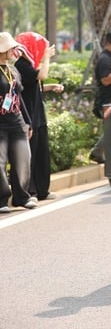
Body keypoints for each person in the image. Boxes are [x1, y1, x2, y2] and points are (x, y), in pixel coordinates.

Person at [15, 32, 64, 202]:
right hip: (29, 117)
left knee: (42, 155)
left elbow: (35, 85)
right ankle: (31, 192)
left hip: (39, 116)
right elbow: (40, 76)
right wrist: (47, 58)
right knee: (31, 156)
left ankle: (43, 190)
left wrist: (51, 87)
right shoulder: (21, 65)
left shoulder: (29, 65)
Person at [0, 33, 36, 213]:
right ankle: (2, 200)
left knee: (23, 158)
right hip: (0, 124)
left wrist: (27, 122)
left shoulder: (13, 70)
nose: (15, 51)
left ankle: (22, 197)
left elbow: (18, 97)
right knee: (0, 162)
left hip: (16, 121)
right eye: (11, 48)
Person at [90, 30, 111, 163]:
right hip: (109, 102)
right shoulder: (105, 59)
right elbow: (105, 80)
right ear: (109, 44)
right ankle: (97, 151)